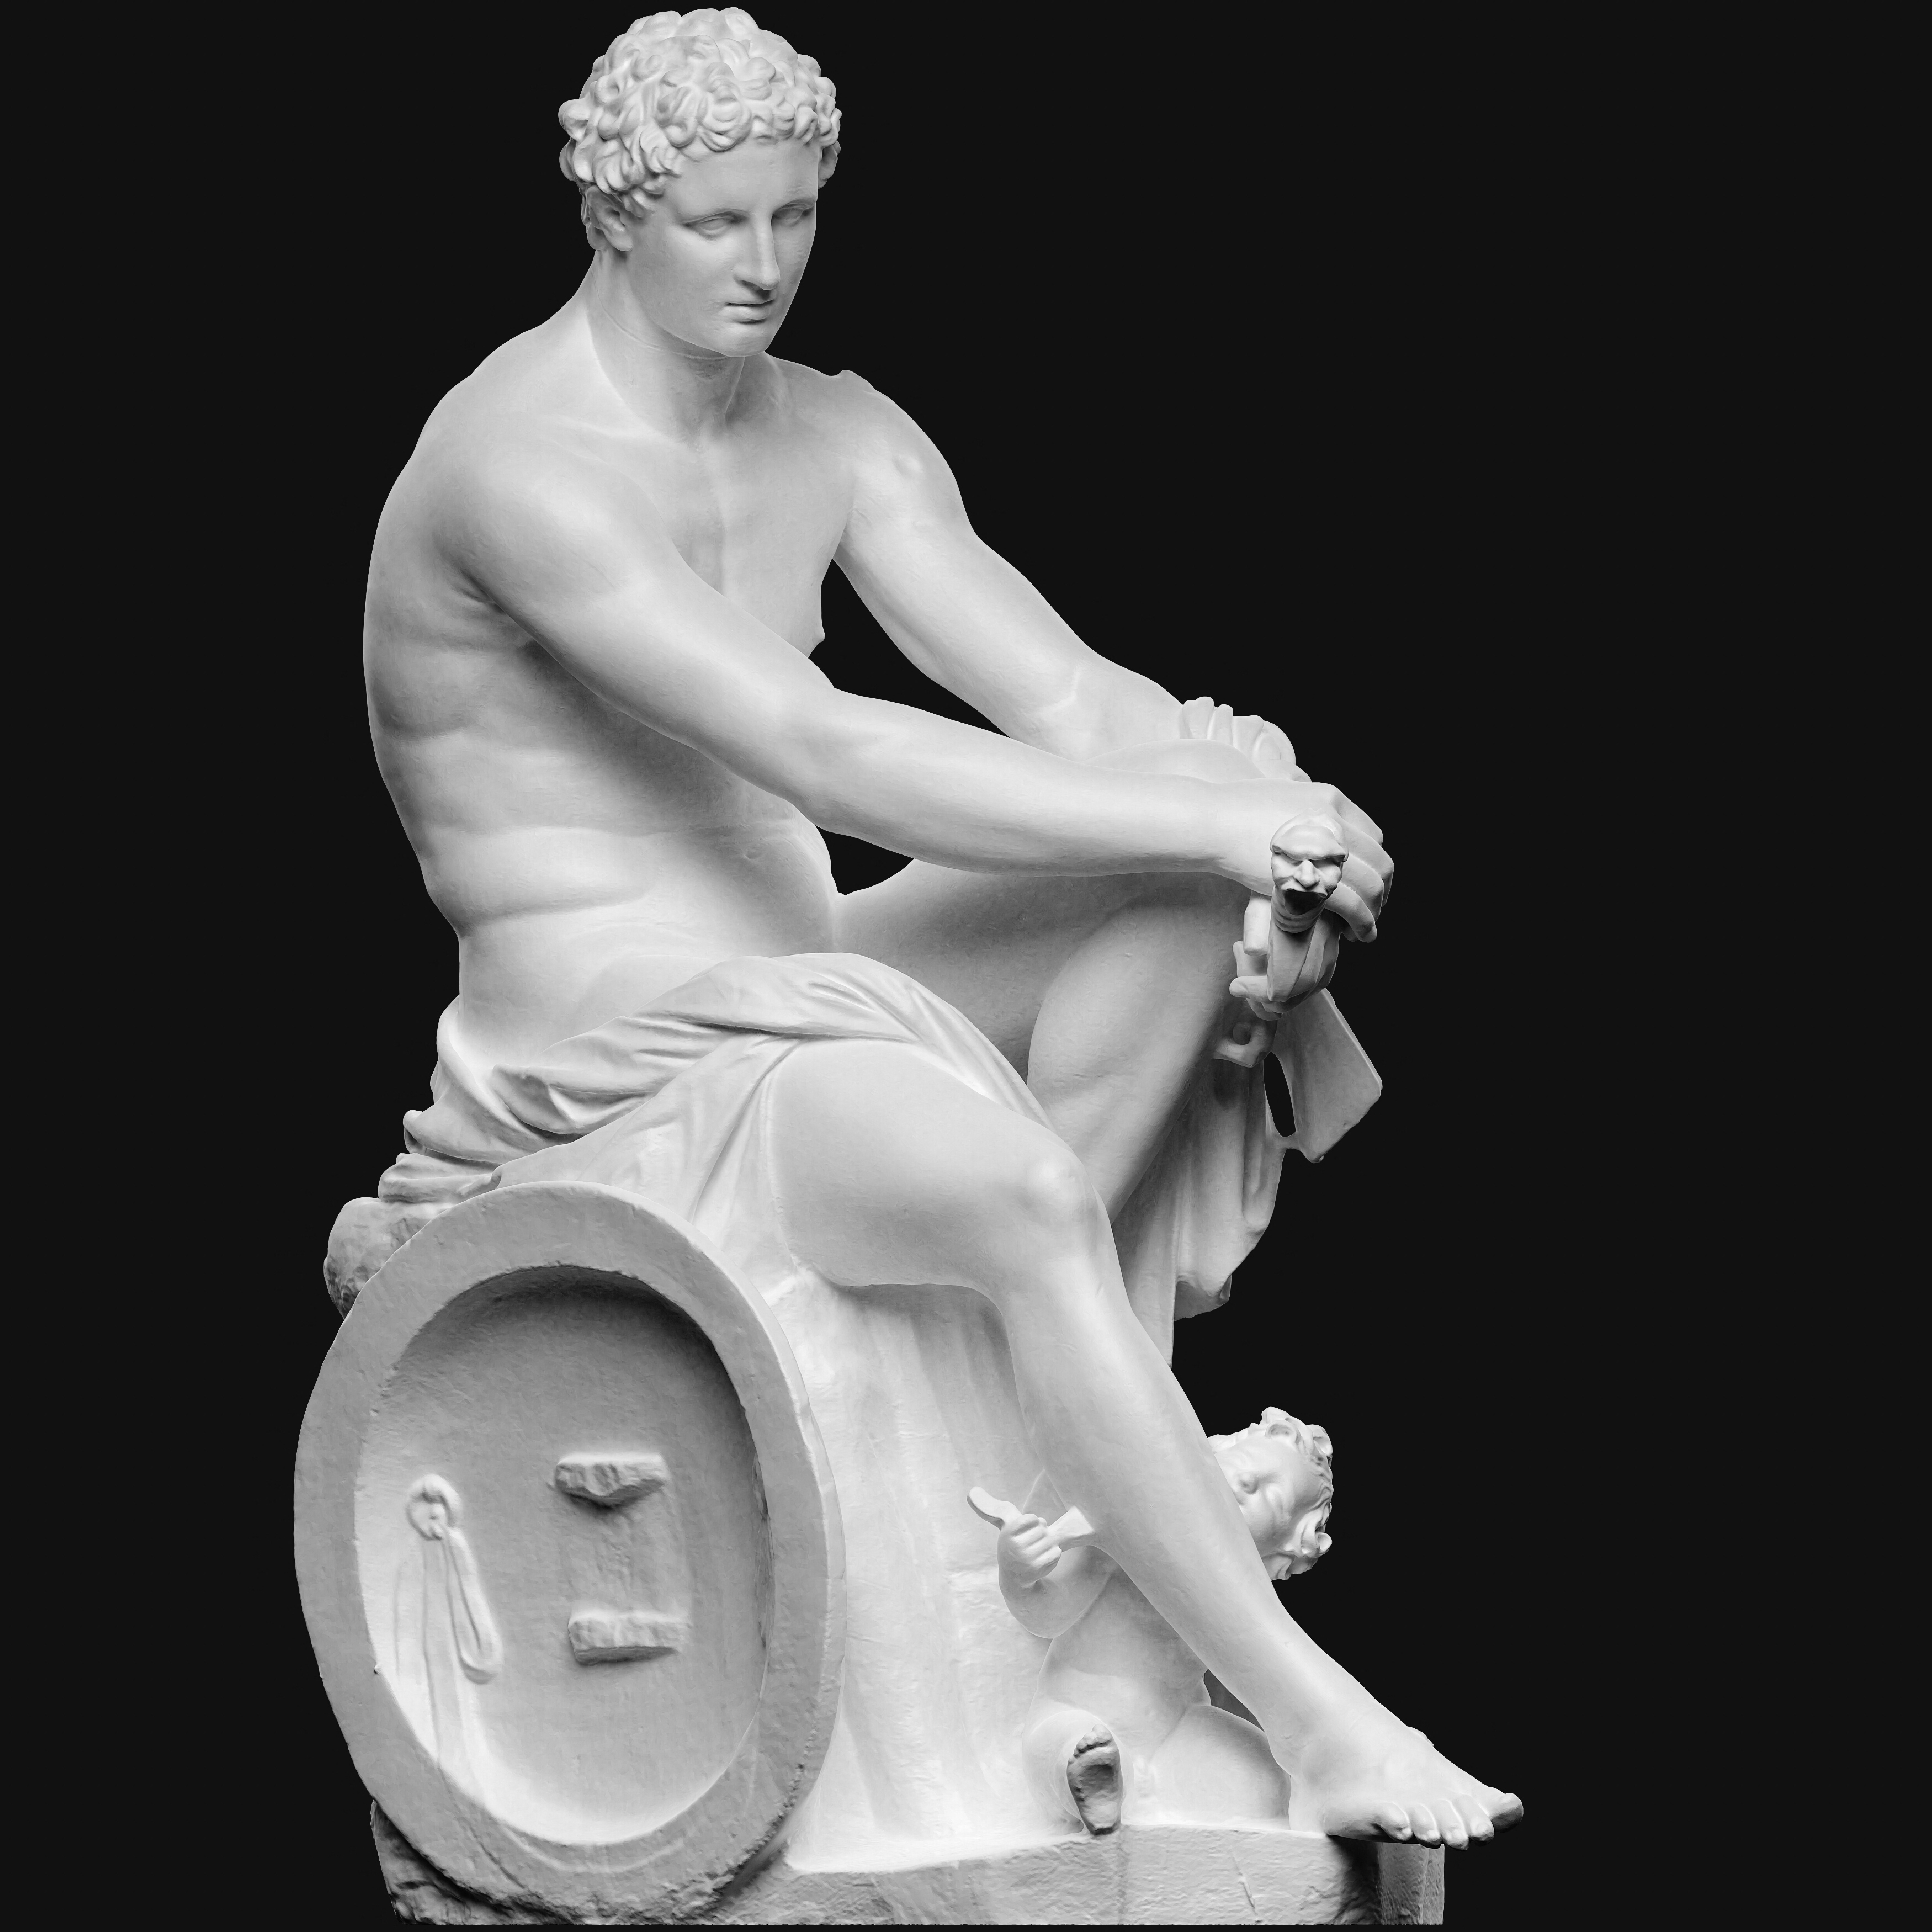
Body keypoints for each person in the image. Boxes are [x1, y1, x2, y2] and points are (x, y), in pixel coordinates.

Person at [358, 8, 1516, 1846]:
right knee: (1060, 1115)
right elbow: (825, 750)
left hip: (814, 985)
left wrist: (1285, 829)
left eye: (795, 215)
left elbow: (1070, 702)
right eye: (716, 223)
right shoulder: (518, 463)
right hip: (617, 1049)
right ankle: (1318, 1724)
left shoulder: (838, 433)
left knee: (1198, 831)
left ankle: (1048, 1418)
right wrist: (1230, 823)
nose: (763, 264)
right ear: (612, 214)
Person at [985, 1409, 1335, 1833]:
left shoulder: (1238, 1598)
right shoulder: (1124, 1531)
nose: (1245, 1483)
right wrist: (1019, 1571)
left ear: (1283, 1549)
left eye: (1270, 1498)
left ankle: (1123, 1780)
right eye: (1242, 1465)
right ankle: (1092, 1780)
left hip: (1178, 1726)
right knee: (1063, 1746)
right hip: (1075, 1708)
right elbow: (1046, 1615)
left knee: (1268, 1784)